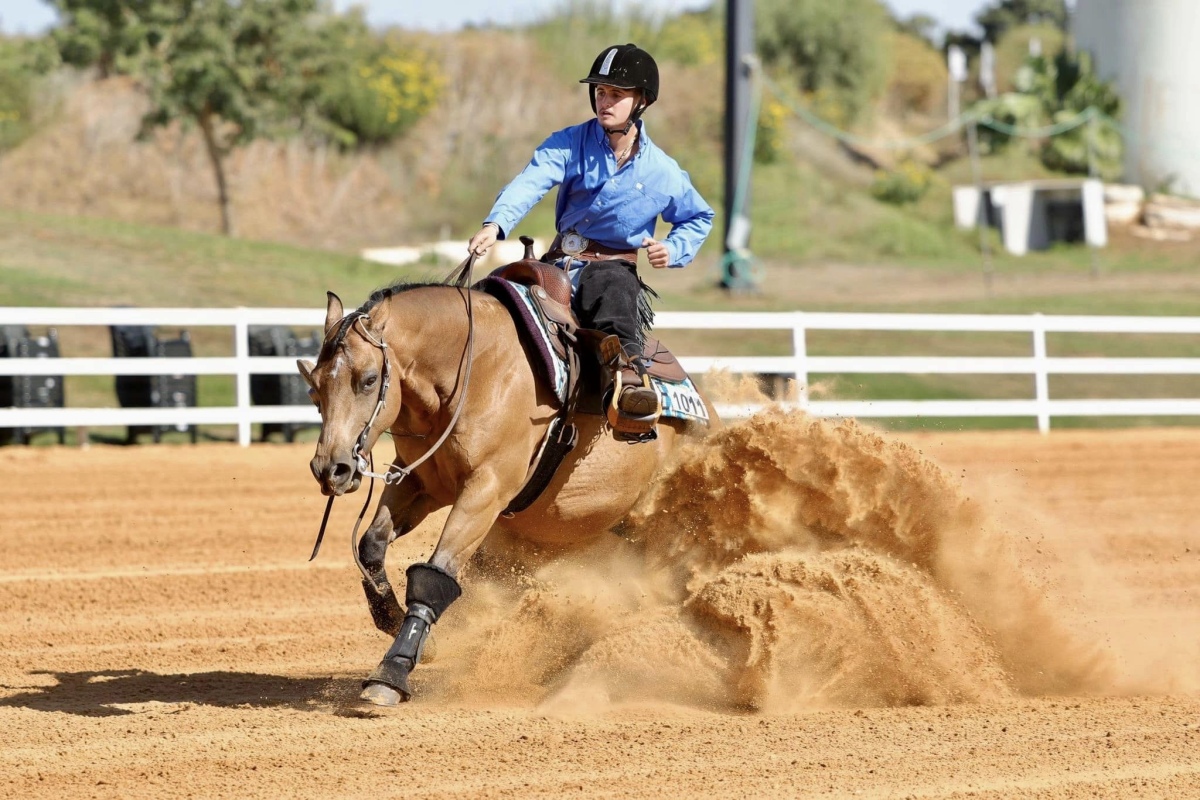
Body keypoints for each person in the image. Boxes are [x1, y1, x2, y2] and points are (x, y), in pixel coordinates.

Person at [468, 43, 714, 427]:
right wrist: (496, 224)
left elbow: (699, 217)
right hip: (557, 262)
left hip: (613, 266)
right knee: (496, 295)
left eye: (616, 94)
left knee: (613, 295)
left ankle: (629, 387)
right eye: (600, 92)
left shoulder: (663, 171)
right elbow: (530, 182)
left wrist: (673, 247)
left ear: (642, 101)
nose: (605, 101)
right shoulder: (567, 142)